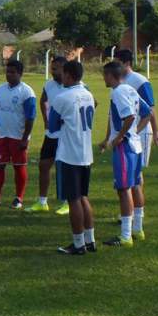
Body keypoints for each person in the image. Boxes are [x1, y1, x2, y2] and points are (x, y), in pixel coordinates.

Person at [99, 61, 152, 246]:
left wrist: (121, 137)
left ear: (111, 76)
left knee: (123, 189)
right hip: (136, 146)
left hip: (125, 148)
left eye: (104, 75)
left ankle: (126, 235)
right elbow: (147, 113)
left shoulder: (118, 92)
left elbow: (128, 116)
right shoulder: (130, 90)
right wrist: (134, 132)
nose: (103, 79)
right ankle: (138, 230)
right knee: (136, 185)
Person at [49, 60, 97, 255]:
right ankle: (90, 239)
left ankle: (78, 244)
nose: (60, 76)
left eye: (62, 73)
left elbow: (52, 126)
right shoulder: (88, 94)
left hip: (69, 154)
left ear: (68, 75)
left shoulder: (62, 97)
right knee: (83, 197)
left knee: (73, 199)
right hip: (86, 152)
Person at [115, 49, 158, 237]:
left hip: (139, 132)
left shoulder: (140, 81)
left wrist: (156, 131)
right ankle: (131, 213)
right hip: (127, 132)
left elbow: (150, 108)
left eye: (117, 61)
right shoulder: (120, 81)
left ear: (126, 63)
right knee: (133, 176)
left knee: (136, 175)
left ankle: (135, 216)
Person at [0, 59, 36, 209]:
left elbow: (30, 117)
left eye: (13, 72)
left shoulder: (27, 92)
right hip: (1, 135)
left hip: (18, 137)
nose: (9, 75)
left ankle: (19, 198)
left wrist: (25, 138)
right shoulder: (0, 89)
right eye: (7, 72)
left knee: (19, 167)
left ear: (20, 74)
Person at [27, 56, 69, 214]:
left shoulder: (75, 86)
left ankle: (67, 202)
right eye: (52, 68)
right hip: (51, 133)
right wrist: (46, 119)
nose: (52, 71)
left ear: (65, 69)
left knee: (64, 167)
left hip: (66, 136)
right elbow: (43, 100)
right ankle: (42, 201)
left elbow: (92, 103)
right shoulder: (49, 85)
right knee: (44, 165)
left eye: (56, 68)